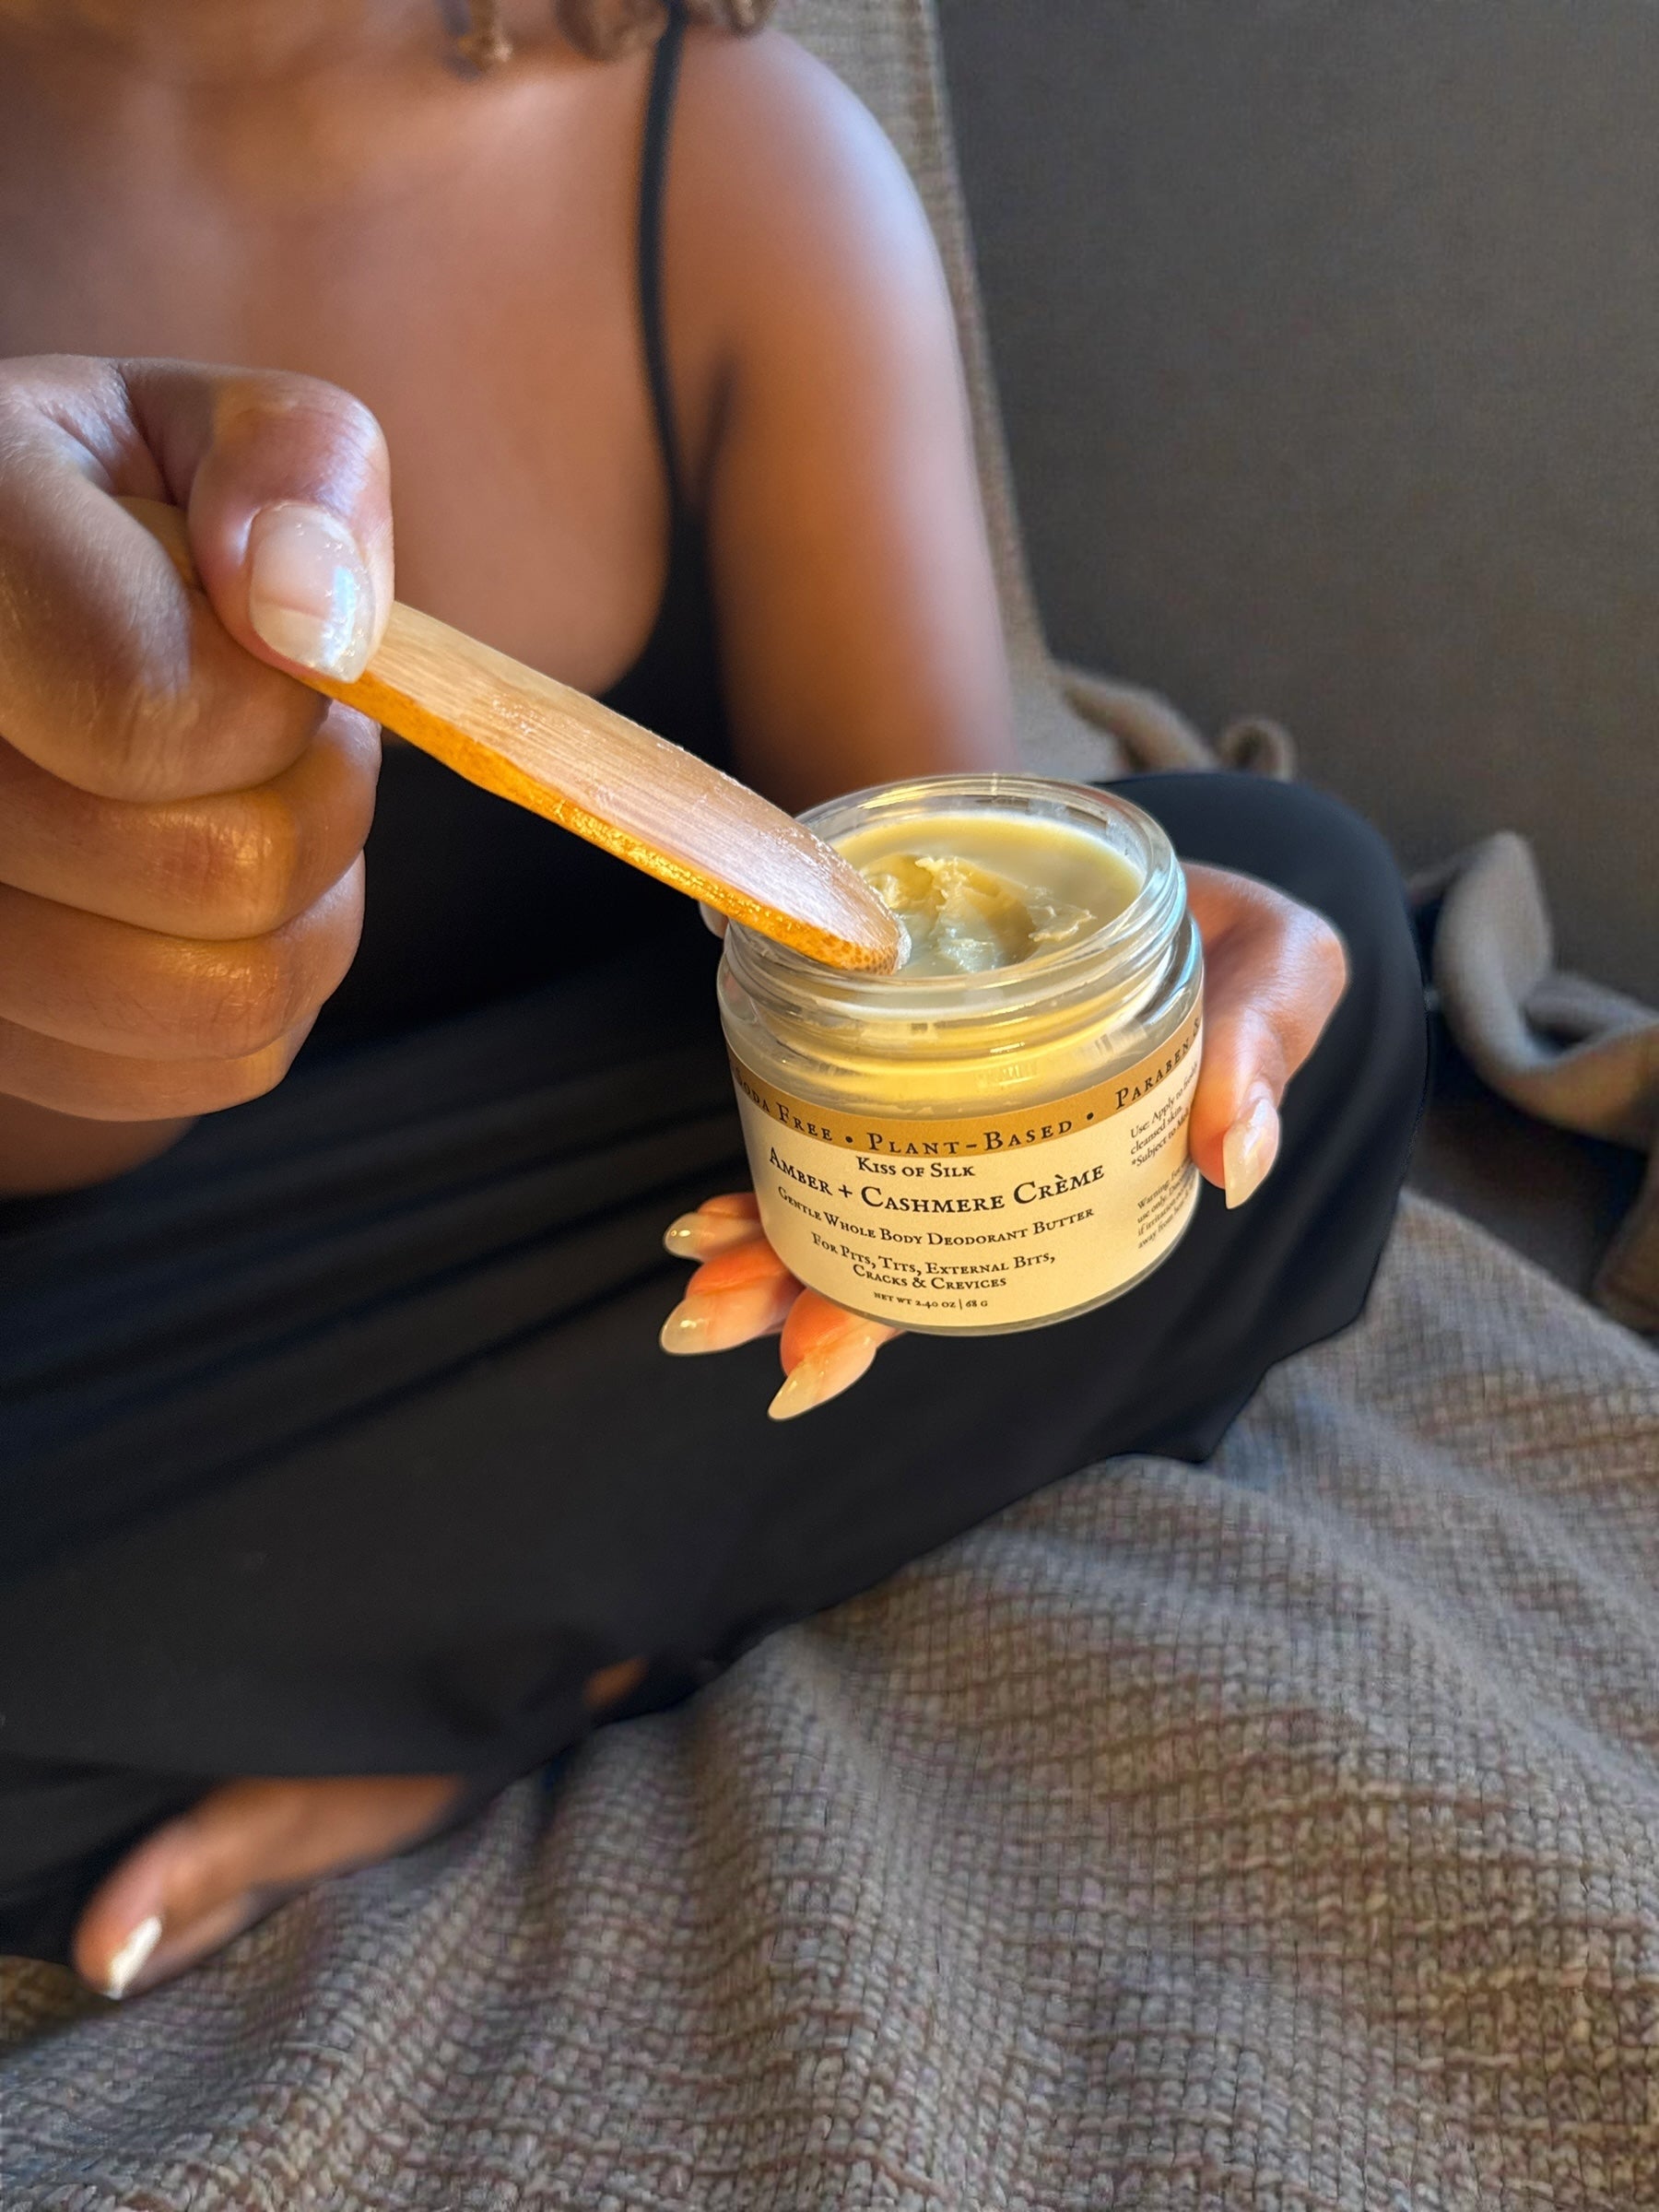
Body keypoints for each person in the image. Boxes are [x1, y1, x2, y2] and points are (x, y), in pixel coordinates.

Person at [0, 0, 1423, 2001]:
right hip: (92, 1363)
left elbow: (903, 1080)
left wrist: (1028, 1065)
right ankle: (452, 1649)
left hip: (560, 1283)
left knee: (1290, 950)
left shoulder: (741, 175)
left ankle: (461, 1669)